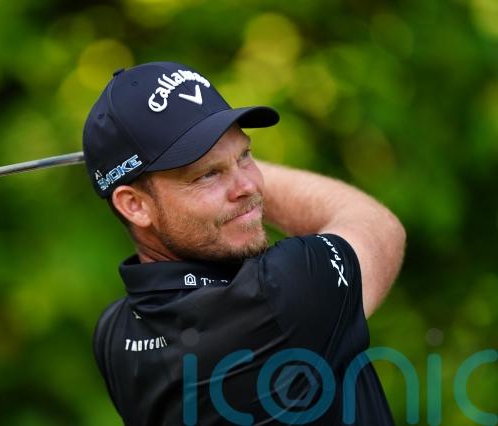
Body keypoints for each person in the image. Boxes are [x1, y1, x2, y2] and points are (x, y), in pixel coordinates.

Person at [82, 61, 405, 425]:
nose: (248, 186)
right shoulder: (279, 293)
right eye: (207, 174)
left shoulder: (114, 335)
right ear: (135, 205)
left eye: (245, 155)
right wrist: (231, 158)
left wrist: (215, 161)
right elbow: (377, 226)